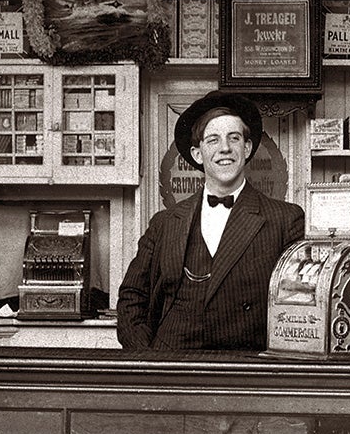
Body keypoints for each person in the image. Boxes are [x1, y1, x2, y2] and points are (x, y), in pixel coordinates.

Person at [117, 91, 305, 351]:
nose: (224, 148)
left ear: (247, 148)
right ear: (197, 153)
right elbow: (132, 297)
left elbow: (298, 303)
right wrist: (146, 357)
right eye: (213, 140)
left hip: (244, 364)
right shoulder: (164, 222)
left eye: (234, 138)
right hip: (170, 364)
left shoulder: (285, 219)